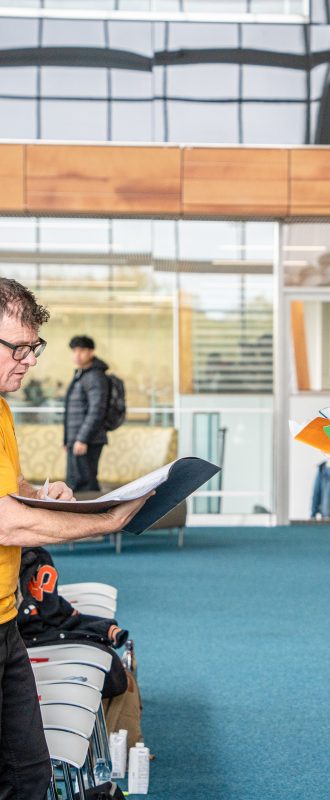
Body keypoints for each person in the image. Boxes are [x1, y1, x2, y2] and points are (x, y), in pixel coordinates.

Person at [0, 278, 149, 799]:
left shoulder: (1, 409)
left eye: (34, 347)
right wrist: (106, 521)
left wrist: (41, 495)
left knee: (27, 773)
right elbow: (6, 523)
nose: (29, 360)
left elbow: (10, 491)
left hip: (6, 620)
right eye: (17, 347)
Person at [64, 334, 110, 492]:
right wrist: (68, 440)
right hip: (78, 439)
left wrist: (82, 439)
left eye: (82, 350)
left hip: (88, 440)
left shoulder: (95, 376)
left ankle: (97, 508)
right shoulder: (83, 374)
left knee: (84, 484)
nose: (77, 355)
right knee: (76, 482)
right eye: (74, 351)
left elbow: (97, 410)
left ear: (91, 352)